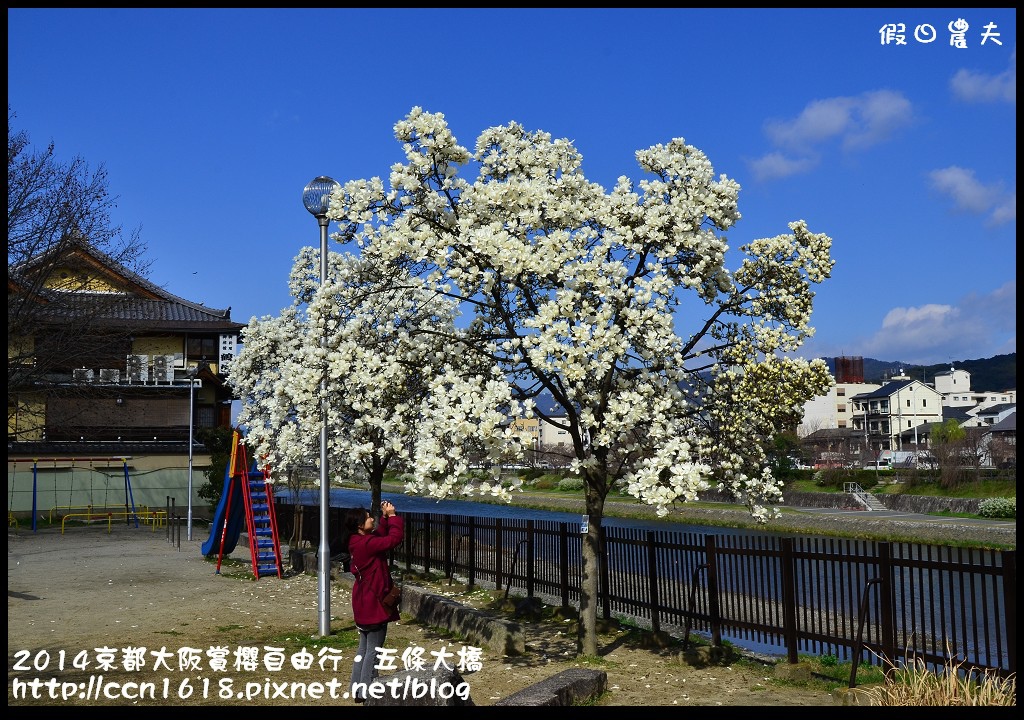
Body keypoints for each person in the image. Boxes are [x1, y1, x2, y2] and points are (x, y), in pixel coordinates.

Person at [342, 500, 404, 703]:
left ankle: (357, 688)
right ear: (360, 525)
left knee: (363, 648)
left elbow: (377, 537)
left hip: (362, 603)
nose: (371, 519)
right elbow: (393, 540)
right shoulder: (366, 544)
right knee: (373, 651)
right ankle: (366, 690)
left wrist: (385, 520)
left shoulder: (358, 542)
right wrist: (393, 517)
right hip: (374, 606)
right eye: (368, 517)